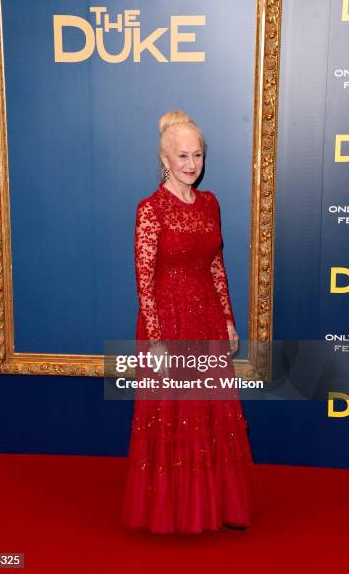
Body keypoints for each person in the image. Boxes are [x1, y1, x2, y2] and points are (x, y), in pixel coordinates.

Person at [122, 110, 256, 534]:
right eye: (182, 156)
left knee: (209, 414)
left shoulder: (211, 203)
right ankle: (172, 511)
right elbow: (144, 281)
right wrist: (157, 341)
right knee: (175, 417)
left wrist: (230, 321)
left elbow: (217, 266)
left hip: (207, 321)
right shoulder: (150, 210)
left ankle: (215, 506)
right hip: (169, 323)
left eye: (197, 155)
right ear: (164, 158)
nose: (191, 164)